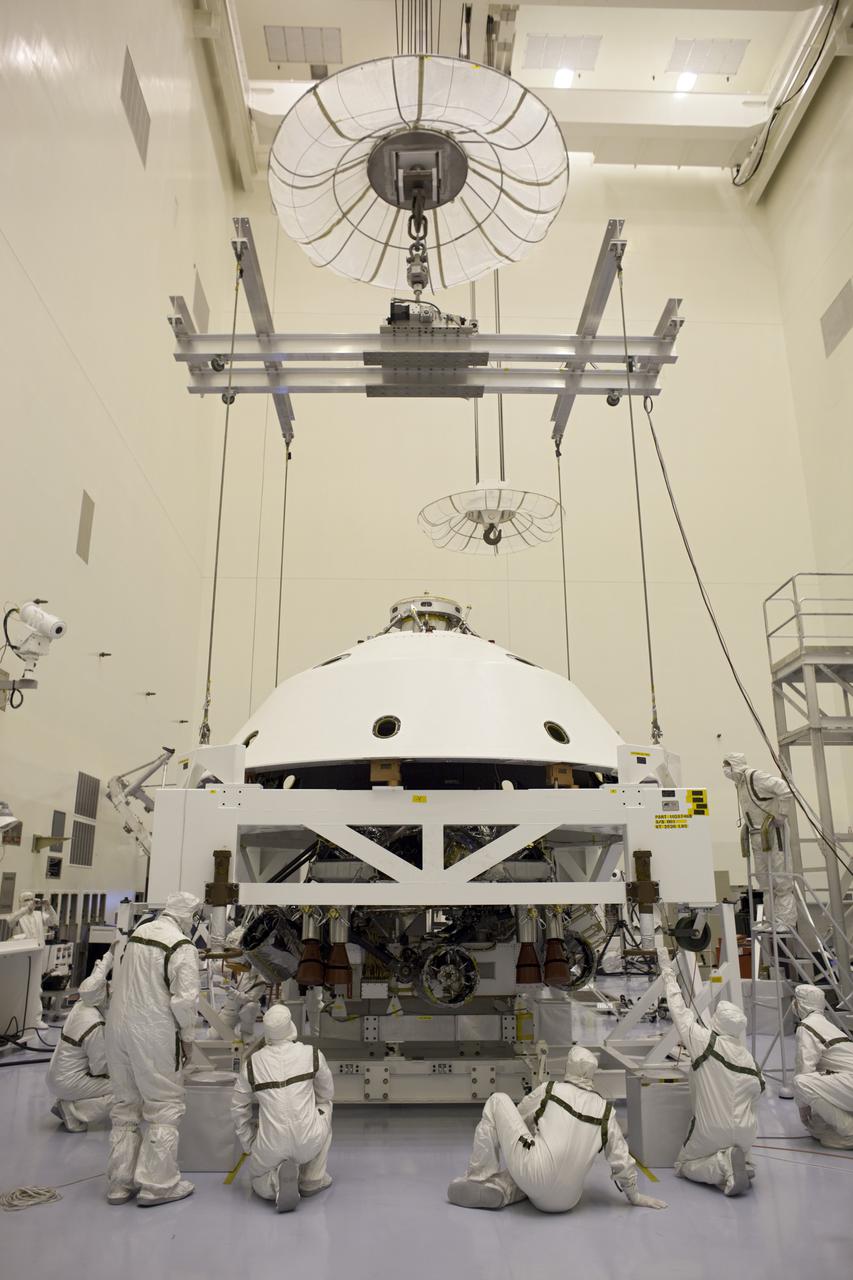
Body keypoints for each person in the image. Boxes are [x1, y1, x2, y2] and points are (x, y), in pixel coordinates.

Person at [447, 1045, 667, 1213]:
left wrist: (532, 1132)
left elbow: (517, 1118)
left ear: (568, 1067)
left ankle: (479, 1178)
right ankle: (503, 1190)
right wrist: (635, 1196)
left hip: (534, 1178)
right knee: (540, 1170)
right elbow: (621, 1159)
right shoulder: (606, 1111)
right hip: (568, 1201)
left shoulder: (550, 1090)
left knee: (498, 1101)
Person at [105, 891, 201, 1207]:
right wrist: (188, 1038)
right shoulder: (181, 946)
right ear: (188, 916)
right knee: (163, 1106)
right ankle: (158, 1186)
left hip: (117, 1028)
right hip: (153, 1032)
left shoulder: (138, 933)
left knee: (125, 1106)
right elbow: (185, 1001)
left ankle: (120, 1184)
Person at [658, 948, 763, 1195]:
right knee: (733, 1143)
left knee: (683, 1165)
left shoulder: (704, 1042)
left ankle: (724, 1166)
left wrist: (667, 972)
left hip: (712, 1130)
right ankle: (743, 1162)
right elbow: (757, 1095)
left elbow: (679, 1011)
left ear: (717, 1021)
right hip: (746, 1132)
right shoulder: (749, 1059)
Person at [231, 1005, 334, 1212]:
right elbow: (327, 1093)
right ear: (290, 1026)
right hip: (309, 1141)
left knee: (256, 1178)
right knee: (325, 1106)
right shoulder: (312, 1054)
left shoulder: (251, 1064)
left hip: (271, 1146)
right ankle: (312, 1179)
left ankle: (274, 1182)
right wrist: (314, 1111)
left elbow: (238, 1107)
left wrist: (250, 1143)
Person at [722, 753, 796, 932]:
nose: (725, 770)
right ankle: (771, 920)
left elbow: (784, 788)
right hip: (756, 834)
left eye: (727, 765)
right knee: (764, 881)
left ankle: (785, 921)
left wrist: (781, 814)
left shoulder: (755, 777)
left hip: (773, 832)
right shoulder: (740, 784)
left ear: (736, 764)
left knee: (780, 878)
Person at [47, 952, 113, 1132]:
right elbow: (100, 1068)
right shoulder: (95, 1024)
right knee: (123, 1089)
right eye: (108, 989)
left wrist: (108, 957)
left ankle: (67, 1100)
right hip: (68, 1082)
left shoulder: (81, 1006)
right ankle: (72, 1112)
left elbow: (94, 982)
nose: (110, 992)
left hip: (56, 1076)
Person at [792, 984, 853, 1149]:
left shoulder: (806, 1027)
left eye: (795, 1000)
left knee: (801, 1083)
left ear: (801, 1003)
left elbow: (804, 1068)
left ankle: (850, 1131)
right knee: (818, 1126)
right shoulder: (828, 1025)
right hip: (847, 1083)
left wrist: (802, 1106)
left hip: (849, 1084)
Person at [219, 965, 267, 1043]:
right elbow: (219, 968)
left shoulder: (261, 982)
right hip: (231, 1009)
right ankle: (232, 1032)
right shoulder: (240, 969)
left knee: (251, 1006)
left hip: (245, 1008)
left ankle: (246, 1032)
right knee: (215, 1036)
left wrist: (231, 991)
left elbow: (248, 999)